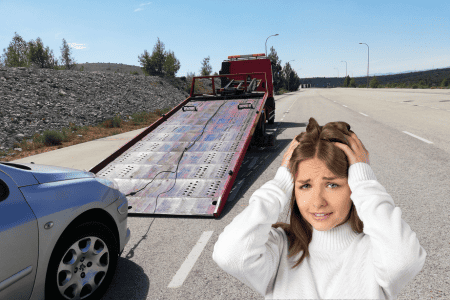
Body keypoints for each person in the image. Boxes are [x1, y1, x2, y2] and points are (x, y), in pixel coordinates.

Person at [212, 117, 426, 300]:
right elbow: (230, 254)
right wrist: (280, 182)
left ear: (353, 186)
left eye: (332, 184)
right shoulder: (279, 248)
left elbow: (404, 261)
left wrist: (366, 184)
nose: (317, 202)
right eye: (305, 186)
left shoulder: (376, 250)